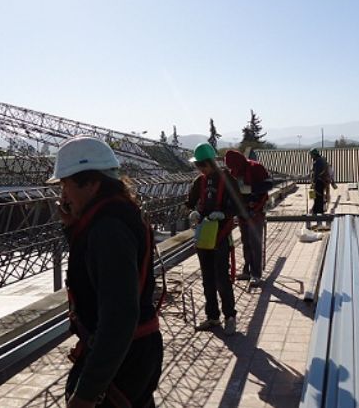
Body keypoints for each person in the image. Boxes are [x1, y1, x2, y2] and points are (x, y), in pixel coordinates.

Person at [50, 136, 163, 408]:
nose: (63, 197)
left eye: (66, 185)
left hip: (123, 357)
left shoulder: (107, 229)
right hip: (135, 353)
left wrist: (87, 393)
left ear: (92, 182)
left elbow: (119, 318)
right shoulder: (116, 215)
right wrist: (73, 229)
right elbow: (98, 272)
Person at [186, 143, 239, 335]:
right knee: (207, 278)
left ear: (211, 163)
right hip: (204, 236)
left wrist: (223, 214)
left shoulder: (228, 181)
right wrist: (193, 213)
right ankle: (212, 316)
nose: (200, 169)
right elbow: (190, 203)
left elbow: (237, 205)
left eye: (203, 165)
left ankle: (230, 316)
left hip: (220, 235)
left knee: (222, 278)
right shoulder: (199, 182)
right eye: (198, 166)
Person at [224, 149, 273, 287]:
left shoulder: (256, 168)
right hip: (243, 211)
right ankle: (247, 271)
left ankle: (256, 274)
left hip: (256, 210)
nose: (234, 170)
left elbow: (268, 184)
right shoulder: (234, 172)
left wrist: (251, 189)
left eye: (235, 166)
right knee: (246, 242)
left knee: (255, 244)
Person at [309, 148, 332, 215]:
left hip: (319, 181)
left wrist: (313, 183)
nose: (311, 156)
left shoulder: (318, 161)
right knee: (319, 197)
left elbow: (316, 174)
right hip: (323, 181)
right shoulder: (322, 160)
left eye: (311, 155)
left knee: (317, 197)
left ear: (314, 154)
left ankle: (317, 212)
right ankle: (318, 210)